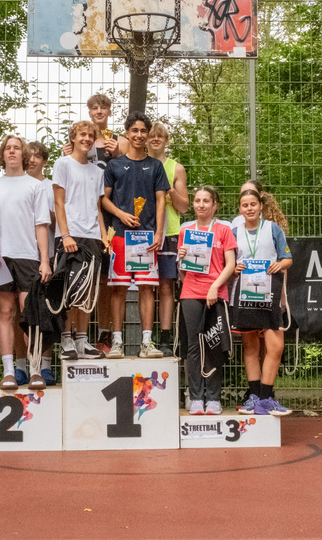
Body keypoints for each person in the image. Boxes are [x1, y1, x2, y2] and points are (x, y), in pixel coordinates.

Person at [62, 94, 127, 354]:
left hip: (110, 216)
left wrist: (119, 154)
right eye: (94, 107)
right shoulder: (79, 141)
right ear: (89, 112)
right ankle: (75, 337)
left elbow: (128, 171)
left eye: (104, 107)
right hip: (83, 219)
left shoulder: (118, 140)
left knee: (106, 280)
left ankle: (103, 334)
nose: (99, 111)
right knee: (81, 279)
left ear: (110, 111)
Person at [102, 111, 169, 359]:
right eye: (135, 130)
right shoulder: (114, 165)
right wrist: (120, 214)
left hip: (146, 237)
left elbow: (161, 200)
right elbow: (104, 200)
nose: (139, 135)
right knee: (118, 289)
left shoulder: (156, 166)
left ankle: (147, 343)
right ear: (127, 133)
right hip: (120, 235)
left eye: (143, 131)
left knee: (146, 289)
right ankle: (117, 342)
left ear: (147, 134)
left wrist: (159, 232)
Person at [0, 135, 52, 391]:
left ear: (23, 154)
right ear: (2, 154)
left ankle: (35, 369)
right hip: (1, 258)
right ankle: (8, 372)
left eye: (17, 148)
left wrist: (45, 260)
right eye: (8, 148)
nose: (12, 151)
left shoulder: (35, 186)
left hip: (28, 257)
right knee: (5, 312)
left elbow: (41, 225)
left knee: (30, 314)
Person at [230, 186, 294, 417]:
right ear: (240, 209)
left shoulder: (273, 228)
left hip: (269, 294)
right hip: (244, 294)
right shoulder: (233, 232)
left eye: (253, 204)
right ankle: (254, 397)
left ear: (260, 206)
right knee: (250, 347)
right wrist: (234, 268)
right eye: (245, 205)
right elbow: (228, 264)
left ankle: (266, 398)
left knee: (276, 346)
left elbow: (287, 258)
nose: (249, 209)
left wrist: (280, 264)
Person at [176, 186, 237, 415]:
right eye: (197, 201)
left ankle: (213, 398)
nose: (201, 205)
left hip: (216, 293)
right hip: (191, 293)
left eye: (206, 201)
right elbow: (183, 272)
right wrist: (180, 258)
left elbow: (230, 265)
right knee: (193, 347)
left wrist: (214, 286)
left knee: (213, 345)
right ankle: (195, 398)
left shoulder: (224, 230)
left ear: (214, 205)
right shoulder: (186, 230)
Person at [52, 121, 108, 361]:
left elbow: (97, 207)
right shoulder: (62, 164)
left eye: (90, 136)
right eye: (82, 134)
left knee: (87, 291)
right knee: (68, 289)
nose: (86, 139)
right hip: (70, 235)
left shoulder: (98, 171)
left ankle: (82, 341)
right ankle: (66, 339)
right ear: (73, 138)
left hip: (92, 237)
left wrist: (103, 236)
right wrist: (65, 235)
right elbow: (58, 202)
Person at [146, 122, 188, 357]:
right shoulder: (140, 164)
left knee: (165, 286)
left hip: (170, 232)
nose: (155, 139)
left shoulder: (176, 168)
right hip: (143, 232)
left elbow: (184, 207)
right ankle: (146, 338)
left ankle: (165, 337)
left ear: (166, 140)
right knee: (145, 286)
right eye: (152, 136)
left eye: (160, 136)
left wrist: (169, 189)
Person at [26, 141, 58, 385]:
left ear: (45, 161)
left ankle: (45, 366)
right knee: (19, 312)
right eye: (29, 155)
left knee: (46, 311)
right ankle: (21, 366)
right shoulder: (15, 184)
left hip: (47, 256)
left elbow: (57, 222)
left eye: (37, 156)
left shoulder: (51, 187)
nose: (32, 160)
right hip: (21, 255)